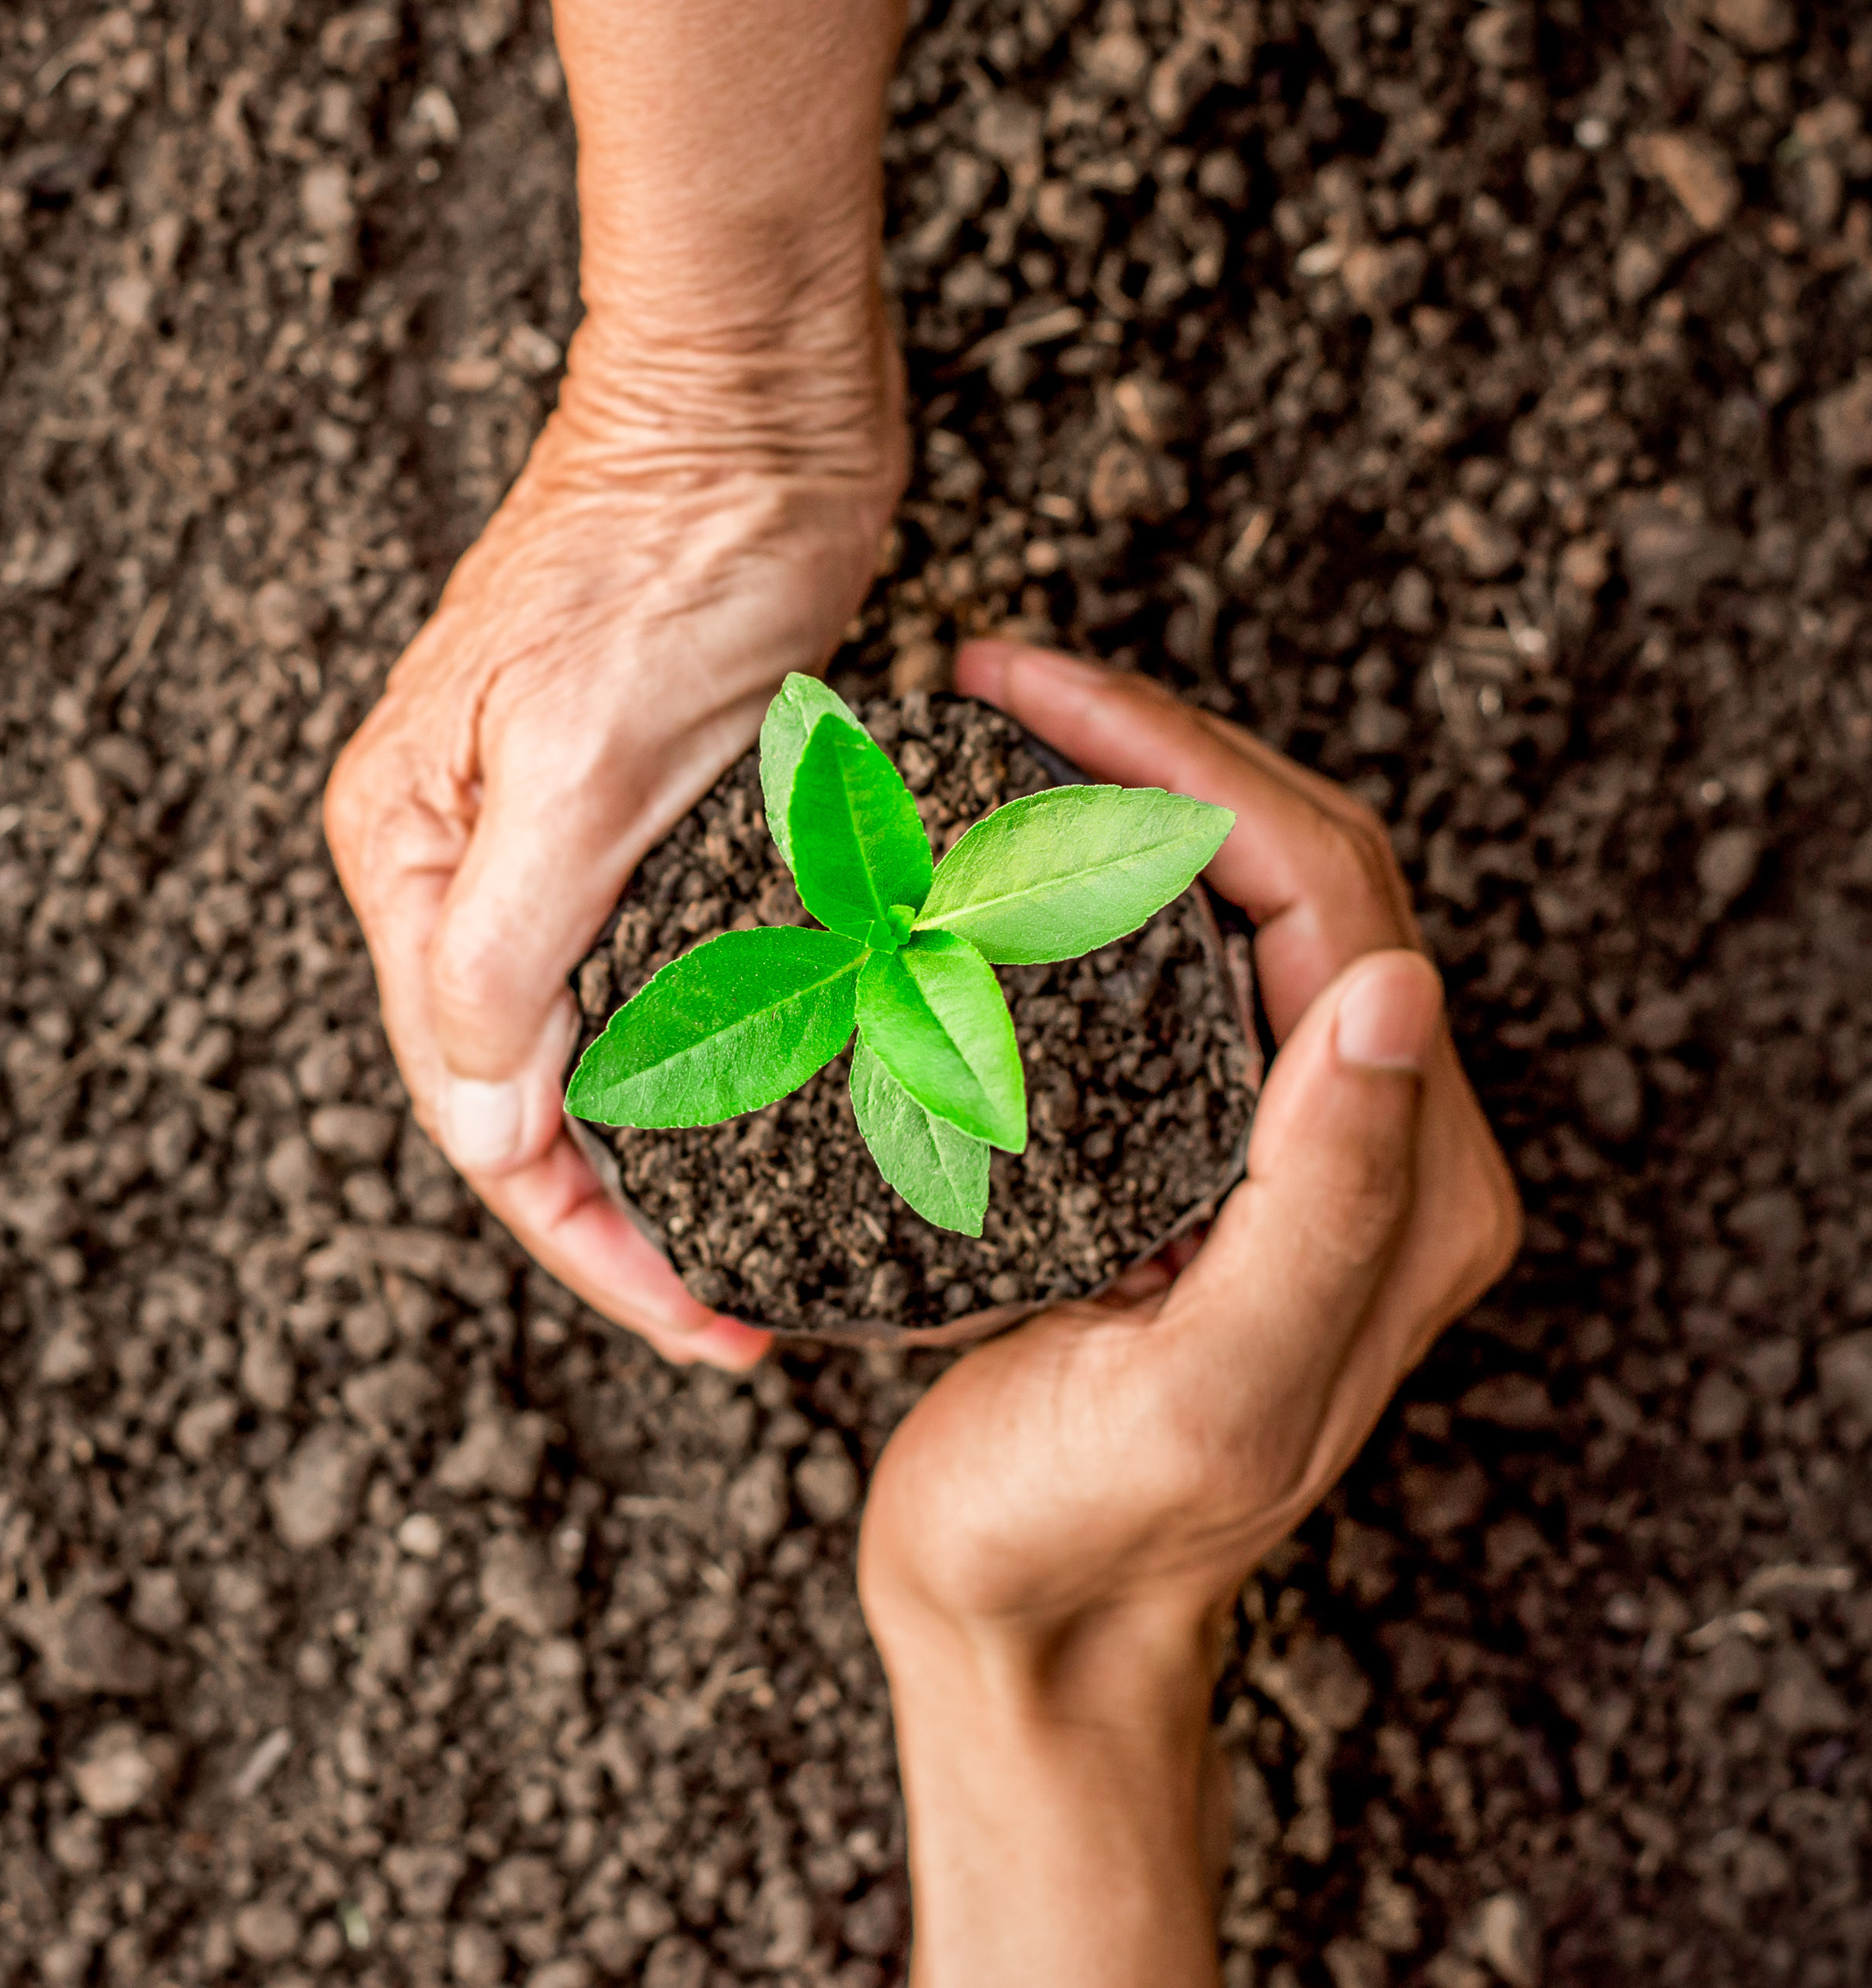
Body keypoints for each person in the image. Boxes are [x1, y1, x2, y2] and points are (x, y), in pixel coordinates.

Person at [323, 5, 1521, 1979]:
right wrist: (1033, 1647)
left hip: (908, 918)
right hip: (912, 945)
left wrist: (720, 387)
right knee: (964, 1109)